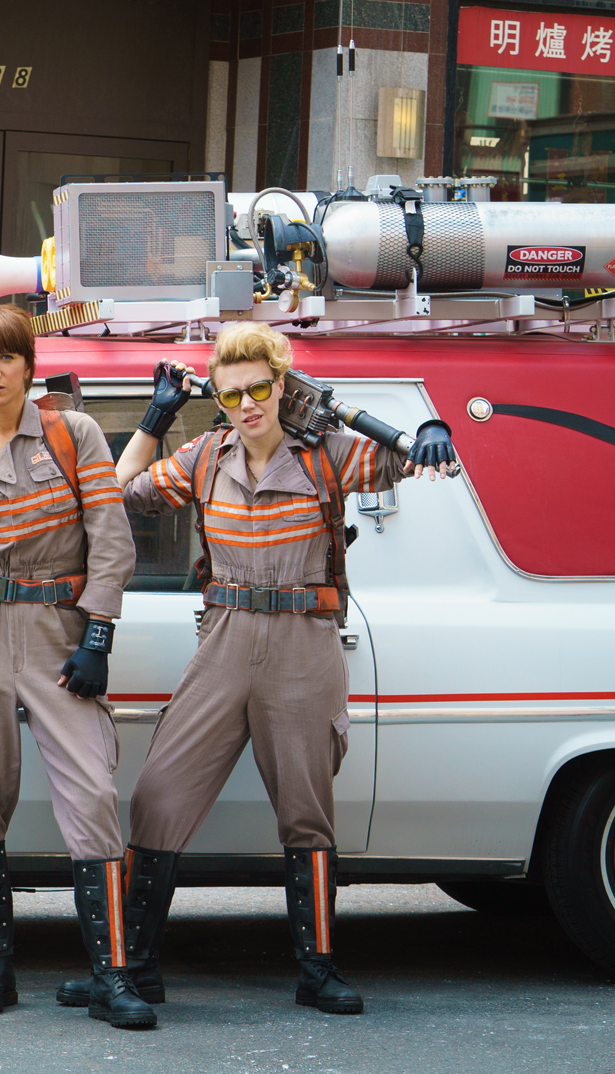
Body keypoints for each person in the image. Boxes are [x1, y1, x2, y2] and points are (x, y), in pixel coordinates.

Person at [99, 321, 457, 1016]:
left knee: (305, 809)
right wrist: (156, 416)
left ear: (282, 382)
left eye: (260, 387)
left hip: (303, 642)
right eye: (231, 393)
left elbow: (413, 459)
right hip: (225, 638)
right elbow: (116, 493)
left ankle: (316, 968)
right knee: (159, 795)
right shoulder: (205, 456)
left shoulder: (328, 456)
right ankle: (134, 965)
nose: (247, 403)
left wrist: (437, 425)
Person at [0, 304, 153, 1029]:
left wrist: (98, 636)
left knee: (91, 795)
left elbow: (111, 542)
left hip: (57, 629)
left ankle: (111, 976)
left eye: (5, 358)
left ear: (26, 366)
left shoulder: (72, 434)